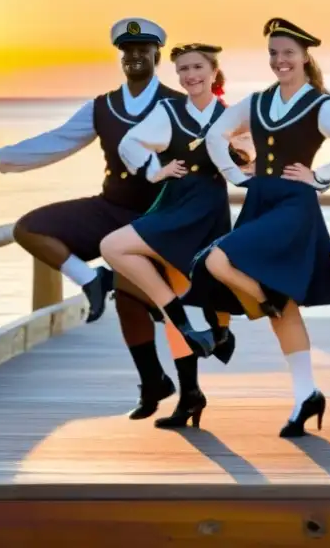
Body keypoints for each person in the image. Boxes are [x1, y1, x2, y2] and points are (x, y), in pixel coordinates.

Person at [183, 17, 330, 437]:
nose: (280, 60)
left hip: (294, 206)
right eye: (273, 53)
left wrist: (321, 177)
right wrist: (235, 174)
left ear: (305, 57)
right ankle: (307, 395)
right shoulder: (257, 101)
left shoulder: (320, 104)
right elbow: (216, 134)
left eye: (288, 53)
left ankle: (260, 301)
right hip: (260, 200)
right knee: (282, 309)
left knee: (216, 258)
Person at [0, 18, 183, 327]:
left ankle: (168, 362)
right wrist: (0, 156)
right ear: (121, 58)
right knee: (29, 228)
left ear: (156, 57)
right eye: (127, 51)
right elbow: (58, 141)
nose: (134, 56)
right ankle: (92, 279)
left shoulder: (180, 105)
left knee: (151, 314)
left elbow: (213, 153)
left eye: (142, 50)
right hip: (111, 209)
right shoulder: (102, 107)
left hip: (158, 219)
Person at [100, 43, 245, 428]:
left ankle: (192, 390)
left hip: (210, 212)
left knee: (184, 288)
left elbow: (253, 159)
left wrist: (241, 158)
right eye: (182, 69)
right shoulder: (169, 111)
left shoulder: (232, 116)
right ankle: (188, 329)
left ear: (214, 72)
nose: (189, 75)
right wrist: (154, 171)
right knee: (113, 246)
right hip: (176, 208)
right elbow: (129, 143)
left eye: (197, 67)